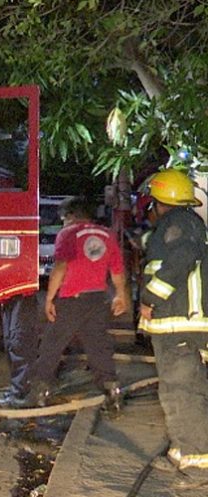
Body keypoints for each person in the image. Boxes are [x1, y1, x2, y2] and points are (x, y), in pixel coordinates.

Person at [137, 168, 208, 489]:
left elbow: (180, 261)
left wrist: (150, 298)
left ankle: (198, 467)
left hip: (180, 328)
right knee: (177, 393)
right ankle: (181, 452)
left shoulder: (179, 225)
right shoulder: (182, 224)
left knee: (183, 394)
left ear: (160, 200)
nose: (149, 208)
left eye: (151, 202)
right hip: (175, 328)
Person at [25, 196, 128, 411]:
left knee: (51, 345)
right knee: (99, 347)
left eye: (63, 218)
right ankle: (113, 393)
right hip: (98, 299)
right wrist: (121, 295)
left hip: (72, 299)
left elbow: (61, 267)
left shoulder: (68, 234)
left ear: (71, 215)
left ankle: (39, 394)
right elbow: (117, 270)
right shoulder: (107, 235)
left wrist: (50, 298)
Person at [0, 294, 39, 408]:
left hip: (21, 295)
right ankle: (17, 388)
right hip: (9, 296)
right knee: (11, 341)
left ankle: (22, 393)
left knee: (19, 342)